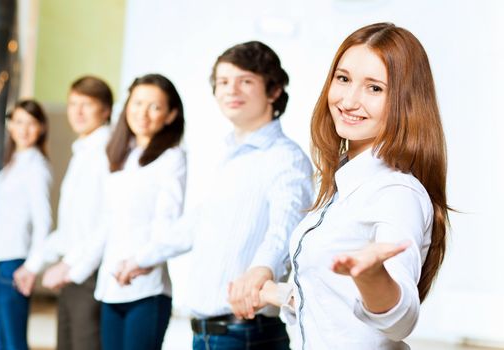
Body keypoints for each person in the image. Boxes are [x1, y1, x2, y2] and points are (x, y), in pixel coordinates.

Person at [255, 22, 450, 349]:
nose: (348, 100)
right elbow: (334, 301)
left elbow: (402, 321)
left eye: (374, 88)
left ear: (405, 100)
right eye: (343, 79)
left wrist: (372, 277)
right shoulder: (342, 183)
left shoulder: (396, 192)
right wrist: (276, 292)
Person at [115, 41, 314, 350]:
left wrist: (262, 270)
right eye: (223, 82)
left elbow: (287, 228)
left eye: (245, 81)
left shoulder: (284, 157)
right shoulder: (232, 155)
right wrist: (142, 259)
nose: (231, 90)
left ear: (274, 91)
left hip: (246, 334)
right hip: (212, 335)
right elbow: (199, 221)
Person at [45, 73, 186, 350]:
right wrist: (71, 269)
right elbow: (106, 223)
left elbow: (166, 225)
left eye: (154, 107)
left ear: (170, 115)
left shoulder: (172, 158)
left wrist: (138, 261)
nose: (142, 113)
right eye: (137, 103)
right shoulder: (122, 157)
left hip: (146, 289)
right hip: (110, 289)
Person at [38, 76, 114, 350]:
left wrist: (71, 266)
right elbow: (71, 224)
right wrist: (38, 264)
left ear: (105, 110)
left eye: (87, 104)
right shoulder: (82, 150)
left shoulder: (108, 150)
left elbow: (109, 220)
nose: (77, 111)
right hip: (70, 270)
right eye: (72, 103)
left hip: (88, 271)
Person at [0, 99, 52, 350]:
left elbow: (44, 223)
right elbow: (1, 224)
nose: (24, 129)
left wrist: (32, 267)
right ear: (10, 125)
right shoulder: (12, 164)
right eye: (19, 122)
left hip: (16, 266)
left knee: (14, 343)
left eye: (31, 123)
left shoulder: (36, 167)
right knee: (2, 341)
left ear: (41, 128)